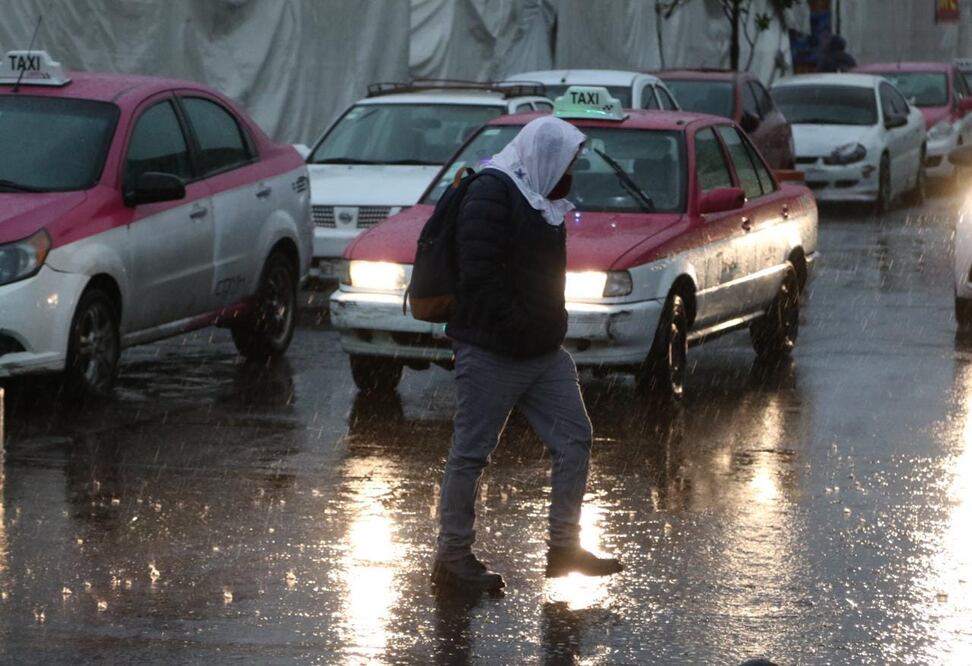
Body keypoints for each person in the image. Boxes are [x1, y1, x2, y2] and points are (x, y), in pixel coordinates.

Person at [431, 116, 624, 592]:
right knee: (472, 453)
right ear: (545, 156)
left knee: (574, 439)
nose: (570, 173)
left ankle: (564, 548)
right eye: (567, 162)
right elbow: (480, 275)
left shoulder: (540, 196)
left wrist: (550, 326)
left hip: (541, 350)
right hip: (491, 348)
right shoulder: (491, 192)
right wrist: (521, 327)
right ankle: (452, 558)